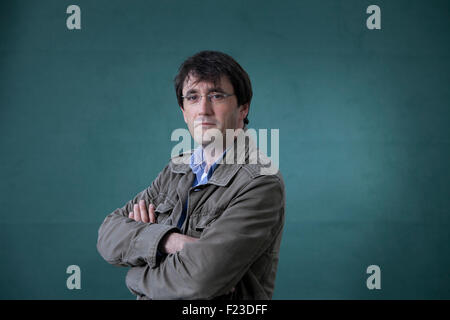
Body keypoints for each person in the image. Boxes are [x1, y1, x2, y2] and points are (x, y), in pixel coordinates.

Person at [97, 50, 285, 300]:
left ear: (243, 109)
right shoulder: (176, 170)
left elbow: (201, 279)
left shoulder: (260, 182)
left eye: (216, 96)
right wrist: (168, 241)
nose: (203, 109)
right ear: (184, 112)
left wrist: (135, 276)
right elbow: (108, 234)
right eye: (193, 97)